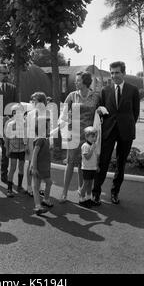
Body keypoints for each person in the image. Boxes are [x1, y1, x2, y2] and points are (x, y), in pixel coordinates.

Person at [93, 61, 140, 205]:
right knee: (103, 161)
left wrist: (127, 124)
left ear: (123, 73)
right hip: (109, 131)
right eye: (112, 73)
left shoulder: (133, 90)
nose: (114, 75)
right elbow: (99, 109)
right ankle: (96, 193)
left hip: (126, 132)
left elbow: (135, 112)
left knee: (121, 164)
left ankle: (115, 193)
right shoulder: (105, 91)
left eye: (117, 72)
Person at [58, 72, 100, 203]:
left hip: (88, 136)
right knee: (70, 162)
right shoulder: (72, 95)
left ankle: (81, 192)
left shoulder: (95, 97)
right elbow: (63, 113)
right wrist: (61, 123)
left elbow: (98, 115)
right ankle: (64, 192)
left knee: (83, 164)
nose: (76, 83)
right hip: (74, 133)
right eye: (76, 81)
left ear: (86, 82)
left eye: (78, 81)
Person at [0, 65, 18, 185]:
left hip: (8, 124)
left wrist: (13, 119)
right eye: (4, 73)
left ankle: (4, 175)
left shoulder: (12, 88)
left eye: (7, 73)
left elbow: (16, 106)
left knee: (6, 150)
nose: (7, 75)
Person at [30, 111, 53, 215]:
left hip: (44, 167)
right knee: (37, 186)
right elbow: (34, 154)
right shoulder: (40, 140)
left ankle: (45, 201)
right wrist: (34, 168)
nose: (49, 129)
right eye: (48, 127)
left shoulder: (44, 139)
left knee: (46, 183)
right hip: (39, 167)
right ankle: (38, 205)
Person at [4, 103, 27, 197]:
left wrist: (27, 147)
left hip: (22, 150)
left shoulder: (25, 123)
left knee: (21, 168)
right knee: (12, 168)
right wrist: (7, 149)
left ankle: (20, 186)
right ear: (13, 113)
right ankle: (9, 189)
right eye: (15, 112)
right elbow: (7, 138)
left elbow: (27, 136)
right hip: (13, 150)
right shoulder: (10, 124)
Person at [78, 126, 99, 208]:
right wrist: (92, 149)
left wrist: (97, 165)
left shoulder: (94, 145)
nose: (94, 138)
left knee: (90, 183)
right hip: (86, 168)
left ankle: (88, 198)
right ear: (86, 137)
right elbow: (87, 157)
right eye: (92, 136)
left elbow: (95, 157)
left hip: (92, 168)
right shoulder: (85, 146)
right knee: (86, 183)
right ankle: (81, 199)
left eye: (95, 136)